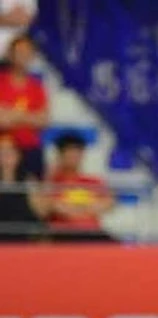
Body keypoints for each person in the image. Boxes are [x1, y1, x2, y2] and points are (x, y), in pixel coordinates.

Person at [45, 130, 115, 241]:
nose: (74, 157)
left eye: (77, 153)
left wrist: (74, 209)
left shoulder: (93, 182)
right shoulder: (53, 182)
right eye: (70, 153)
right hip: (63, 234)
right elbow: (54, 206)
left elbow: (109, 203)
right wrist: (87, 208)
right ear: (60, 155)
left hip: (92, 232)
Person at [0, 35, 47, 179]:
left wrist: (12, 114)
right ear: (10, 54)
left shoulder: (36, 86)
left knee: (34, 182)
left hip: (29, 148)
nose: (23, 56)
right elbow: (1, 120)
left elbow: (43, 120)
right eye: (20, 52)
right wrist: (28, 117)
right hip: (3, 146)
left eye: (27, 52)